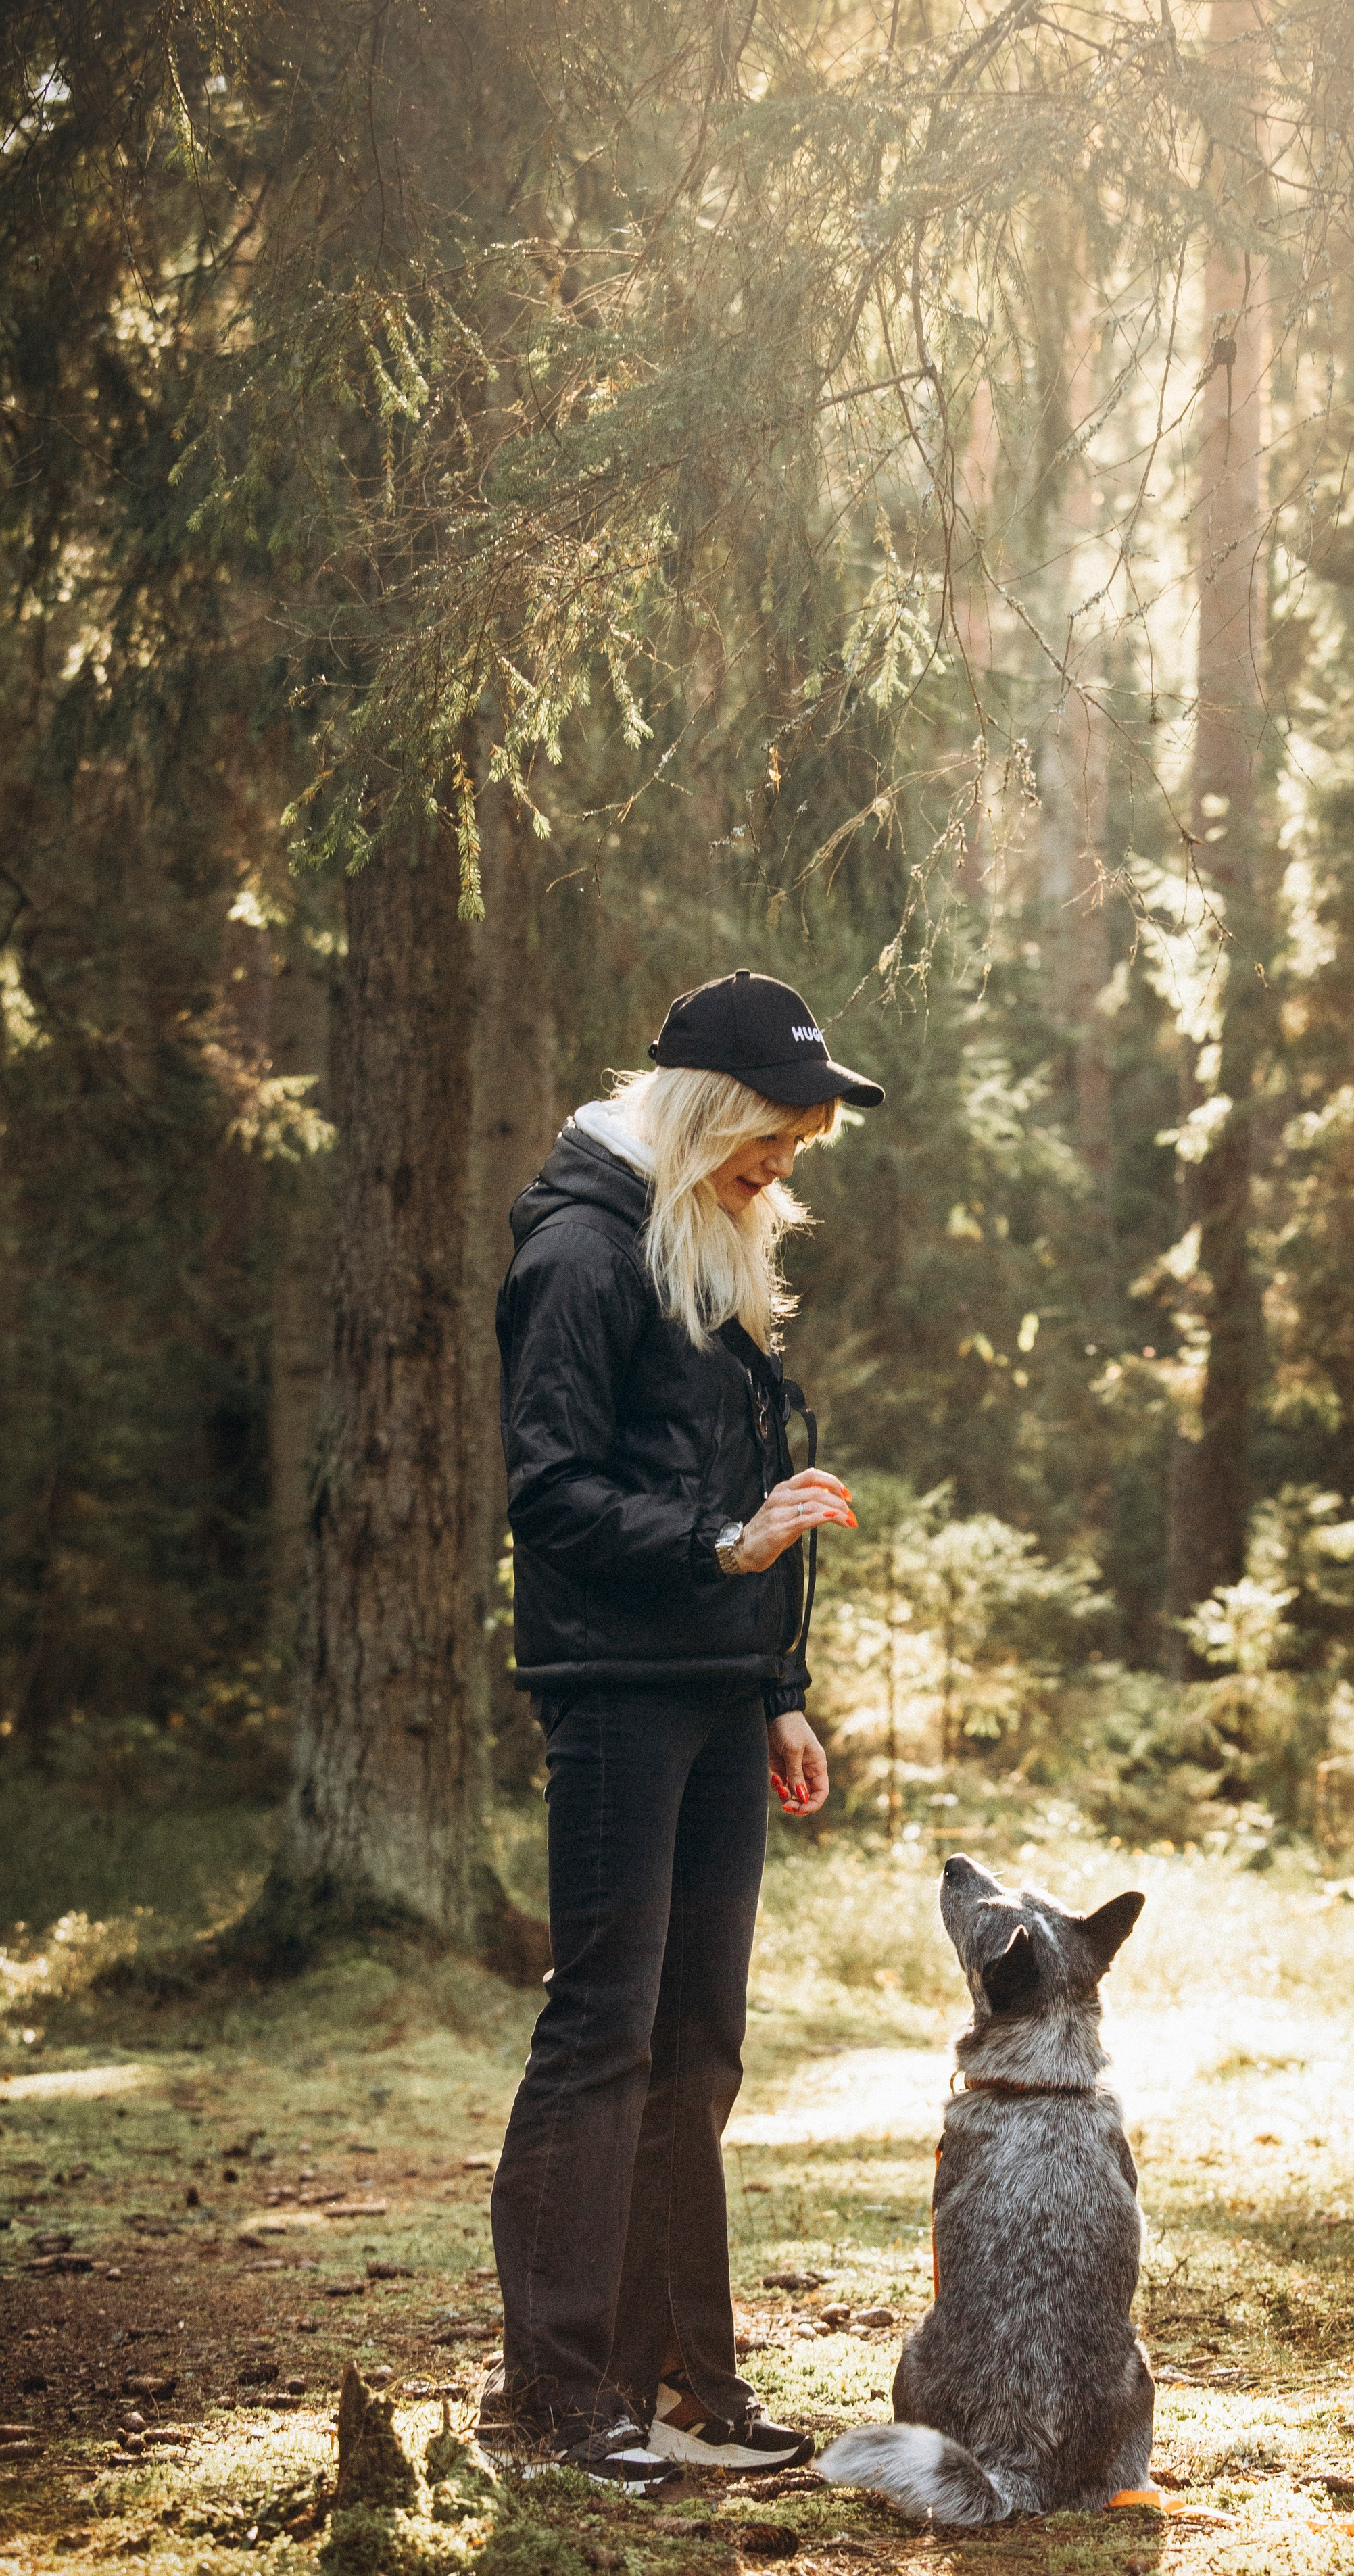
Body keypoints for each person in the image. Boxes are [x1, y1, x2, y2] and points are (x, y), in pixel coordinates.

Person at [482, 969, 885, 2485]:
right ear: (706, 1115)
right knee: (603, 2030)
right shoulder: (579, 1251)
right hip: (613, 1693)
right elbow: (550, 1494)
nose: (779, 1170)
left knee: (697, 2044)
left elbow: (740, 1496)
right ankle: (554, 2396)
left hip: (719, 1689)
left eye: (795, 1148)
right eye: (767, 1140)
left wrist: (777, 1692)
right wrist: (721, 1546)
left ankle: (674, 2381)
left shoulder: (704, 1243)